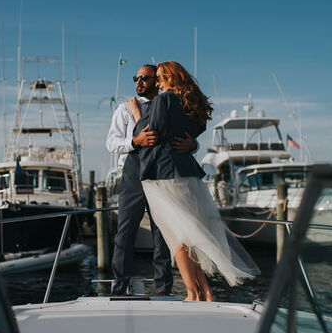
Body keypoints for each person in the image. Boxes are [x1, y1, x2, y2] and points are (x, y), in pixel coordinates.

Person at [126, 61, 260, 301]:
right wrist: (190, 144)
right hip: (187, 173)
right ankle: (206, 292)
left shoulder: (163, 99)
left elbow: (151, 133)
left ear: (168, 77)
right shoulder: (192, 105)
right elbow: (194, 133)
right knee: (187, 234)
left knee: (177, 238)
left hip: (163, 175)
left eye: (159, 77)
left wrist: (138, 117)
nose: (156, 82)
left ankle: (191, 293)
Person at [106, 64, 198, 296]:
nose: (139, 82)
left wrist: (193, 145)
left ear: (157, 80)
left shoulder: (171, 104)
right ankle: (119, 288)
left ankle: (162, 289)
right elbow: (111, 143)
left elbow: (184, 136)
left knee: (163, 233)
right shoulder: (124, 109)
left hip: (162, 174)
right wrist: (134, 142)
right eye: (136, 78)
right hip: (133, 175)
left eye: (146, 78)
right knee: (125, 232)